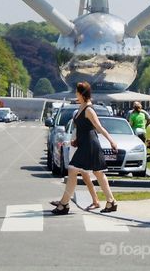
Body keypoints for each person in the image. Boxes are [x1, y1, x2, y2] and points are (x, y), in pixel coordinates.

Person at [51, 82, 119, 215]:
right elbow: (81, 128)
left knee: (74, 170)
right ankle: (111, 201)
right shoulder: (81, 107)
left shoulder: (88, 109)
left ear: (81, 93)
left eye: (77, 91)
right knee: (97, 173)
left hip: (90, 144)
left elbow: (98, 127)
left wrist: (111, 141)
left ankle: (64, 204)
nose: (75, 93)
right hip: (83, 144)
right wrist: (75, 140)